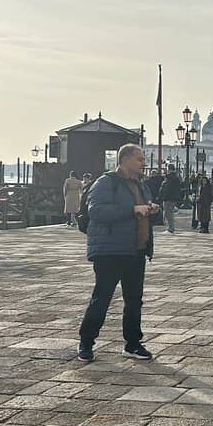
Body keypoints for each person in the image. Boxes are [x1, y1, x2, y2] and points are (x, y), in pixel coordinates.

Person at [77, 144, 159, 363]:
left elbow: (143, 208)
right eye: (139, 159)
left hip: (136, 249)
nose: (144, 163)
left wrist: (151, 208)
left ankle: (132, 343)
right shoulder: (106, 182)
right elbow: (96, 211)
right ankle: (86, 342)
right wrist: (132, 210)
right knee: (102, 297)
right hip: (110, 250)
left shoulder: (140, 185)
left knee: (134, 300)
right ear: (125, 160)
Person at [157, 165, 183, 234]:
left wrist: (162, 196)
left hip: (168, 197)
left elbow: (166, 188)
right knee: (168, 213)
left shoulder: (170, 177)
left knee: (168, 213)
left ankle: (171, 229)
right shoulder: (176, 177)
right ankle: (170, 228)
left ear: (169, 169)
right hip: (172, 197)